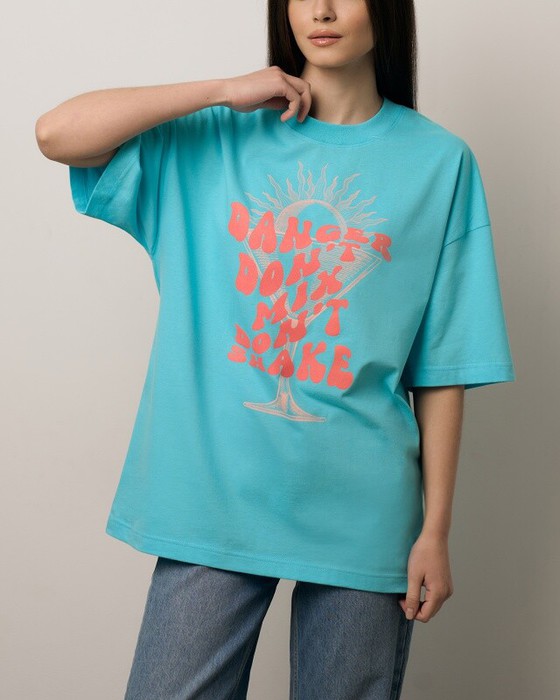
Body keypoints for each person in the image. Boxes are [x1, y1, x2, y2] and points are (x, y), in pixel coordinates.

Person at [35, 0, 516, 698]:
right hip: (211, 500)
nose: (321, 9)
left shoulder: (439, 163)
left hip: (363, 515)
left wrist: (435, 530)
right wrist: (222, 89)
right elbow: (56, 134)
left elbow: (443, 367)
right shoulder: (213, 138)